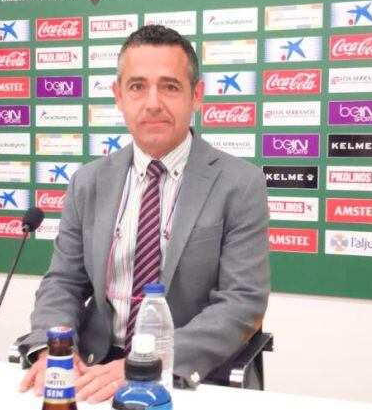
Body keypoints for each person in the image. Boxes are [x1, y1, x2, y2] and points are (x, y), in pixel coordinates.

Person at [19, 25, 270, 403]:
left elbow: (241, 303)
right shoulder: (88, 182)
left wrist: (142, 363)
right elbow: (63, 283)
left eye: (169, 86)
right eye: (137, 87)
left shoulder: (240, 183)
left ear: (196, 95)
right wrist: (53, 349)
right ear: (119, 96)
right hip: (93, 369)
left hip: (185, 377)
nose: (152, 102)